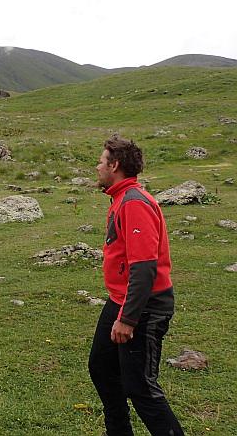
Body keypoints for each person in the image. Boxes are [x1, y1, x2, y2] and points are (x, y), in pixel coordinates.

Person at [89, 136, 184, 435]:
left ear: (114, 165)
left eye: (101, 162)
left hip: (145, 306)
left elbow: (144, 268)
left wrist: (128, 319)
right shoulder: (121, 198)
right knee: (102, 368)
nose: (97, 167)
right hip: (119, 299)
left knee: (140, 386)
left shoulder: (134, 203)